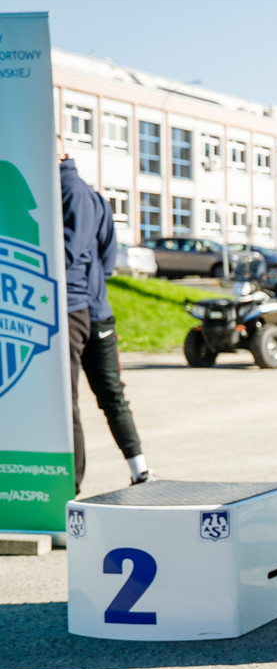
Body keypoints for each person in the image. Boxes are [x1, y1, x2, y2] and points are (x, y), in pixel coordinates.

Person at [59, 149, 147, 491]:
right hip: (96, 309)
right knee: (111, 396)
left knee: (69, 401)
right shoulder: (92, 196)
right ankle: (140, 470)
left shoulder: (68, 192)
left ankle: (71, 486)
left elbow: (65, 256)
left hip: (74, 310)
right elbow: (108, 259)